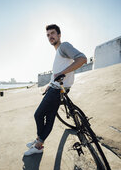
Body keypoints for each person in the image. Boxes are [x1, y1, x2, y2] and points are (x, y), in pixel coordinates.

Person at [24, 24, 87, 156]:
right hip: (56, 87)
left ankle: (38, 145)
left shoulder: (64, 46)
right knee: (50, 116)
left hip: (58, 89)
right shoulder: (58, 52)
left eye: (52, 33)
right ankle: (38, 141)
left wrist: (61, 74)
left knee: (39, 115)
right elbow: (57, 73)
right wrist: (50, 83)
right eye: (48, 35)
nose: (50, 36)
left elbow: (82, 59)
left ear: (59, 35)